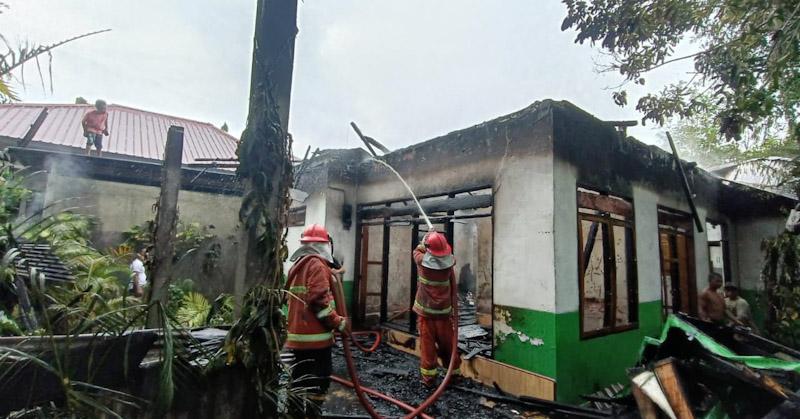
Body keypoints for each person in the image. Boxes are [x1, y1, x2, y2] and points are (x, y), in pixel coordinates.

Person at [284, 224, 349, 416]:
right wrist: (338, 322)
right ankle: (312, 414)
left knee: (299, 379)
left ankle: (293, 413)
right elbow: (318, 302)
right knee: (318, 381)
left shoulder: (297, 266)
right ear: (325, 245)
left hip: (298, 338)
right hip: (316, 340)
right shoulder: (317, 266)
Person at [413, 231, 461, 388]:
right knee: (448, 346)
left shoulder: (422, 263)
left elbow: (417, 250)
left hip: (426, 315)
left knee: (427, 348)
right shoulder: (449, 265)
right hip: (444, 315)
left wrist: (426, 239)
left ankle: (429, 380)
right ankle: (454, 375)